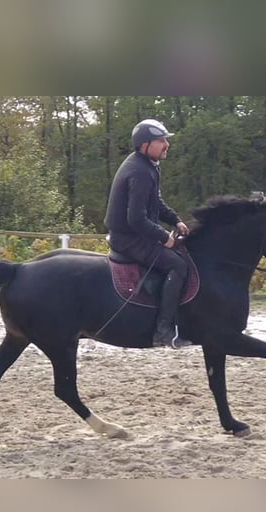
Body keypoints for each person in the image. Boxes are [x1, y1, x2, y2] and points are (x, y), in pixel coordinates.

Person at [104, 119, 191, 348]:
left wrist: (175, 220)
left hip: (135, 234)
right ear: (145, 144)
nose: (166, 145)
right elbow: (136, 219)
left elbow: (155, 203)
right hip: (129, 239)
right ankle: (163, 330)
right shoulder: (140, 171)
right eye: (161, 140)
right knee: (178, 265)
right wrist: (165, 238)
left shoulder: (147, 166)